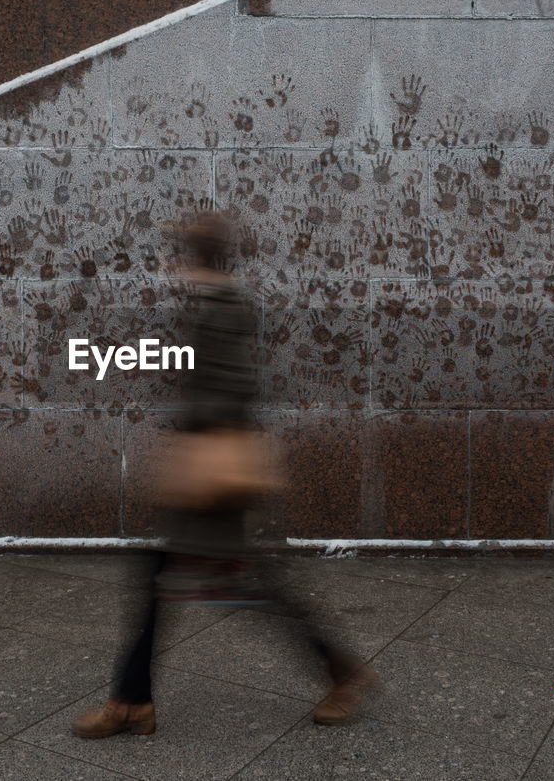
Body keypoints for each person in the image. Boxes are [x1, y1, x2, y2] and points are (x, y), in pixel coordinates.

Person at [71, 214, 378, 739]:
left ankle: (132, 702)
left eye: (177, 256)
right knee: (206, 579)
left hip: (213, 478)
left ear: (189, 258)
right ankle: (133, 700)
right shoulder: (218, 306)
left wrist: (197, 451)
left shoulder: (224, 308)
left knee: (213, 580)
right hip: (210, 473)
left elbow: (234, 387)